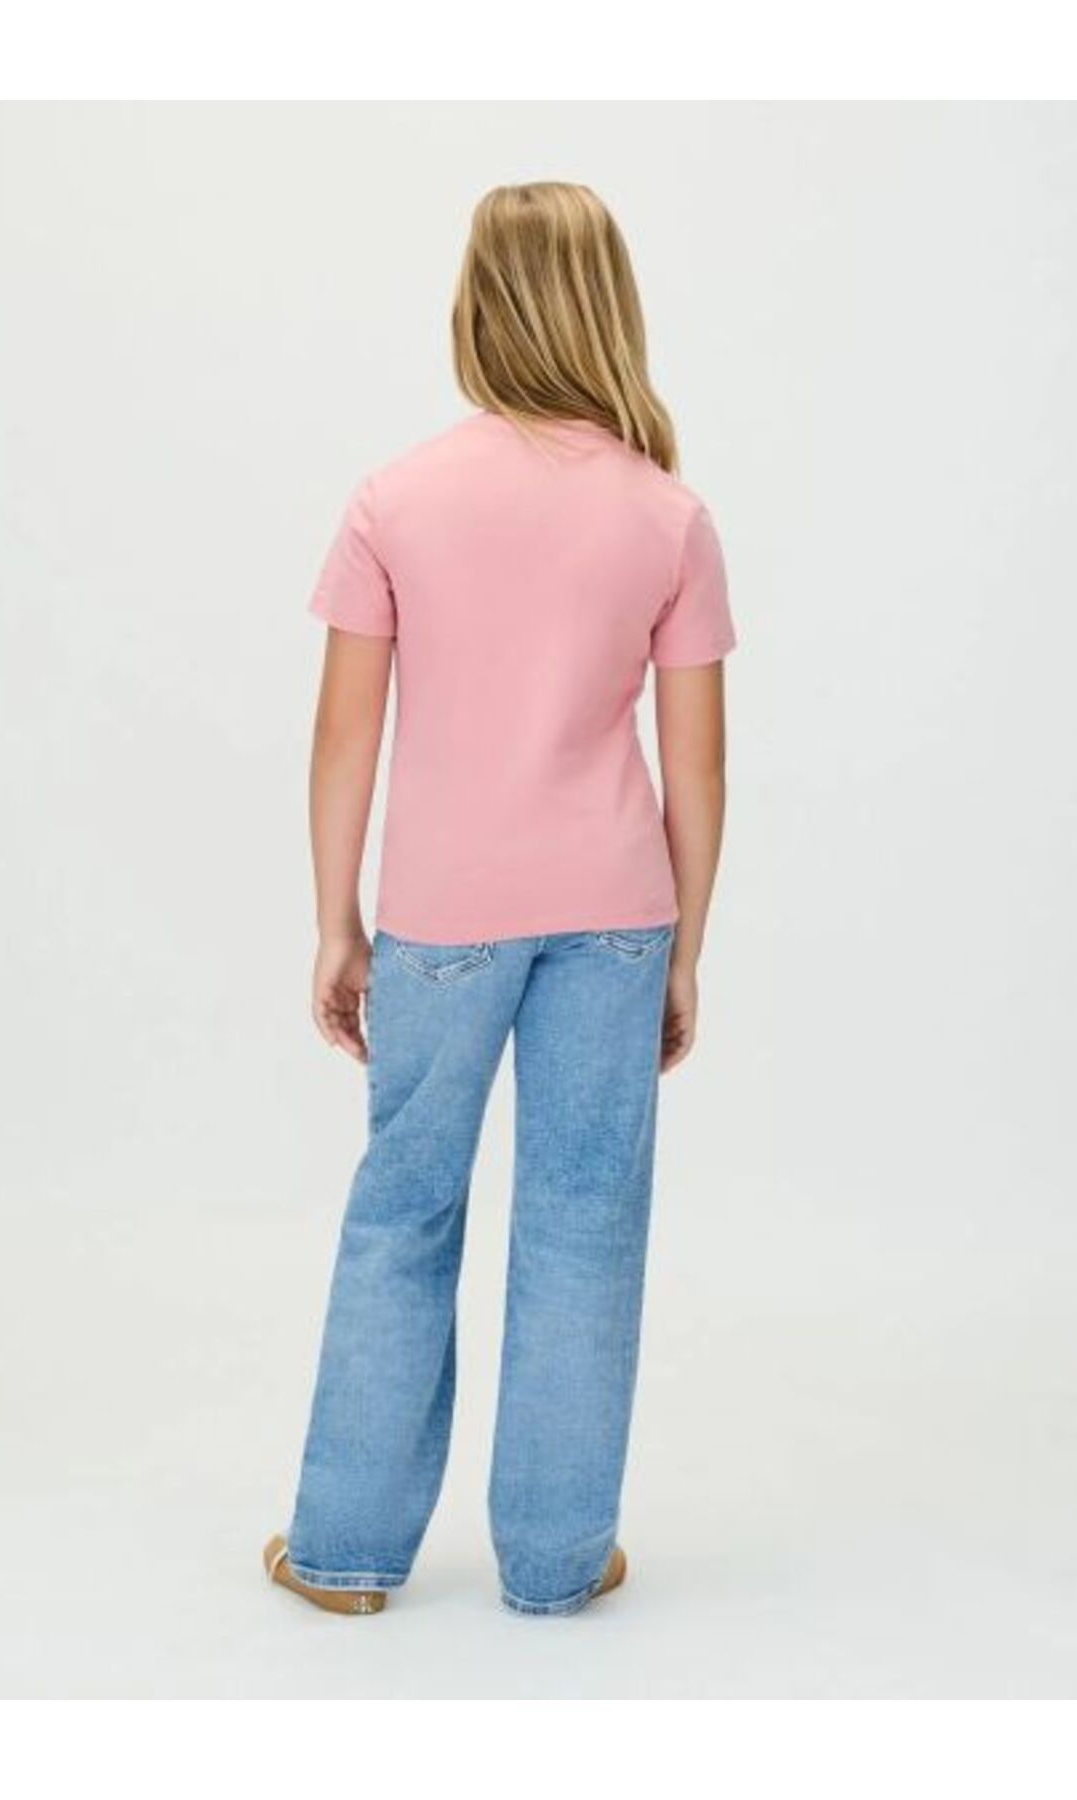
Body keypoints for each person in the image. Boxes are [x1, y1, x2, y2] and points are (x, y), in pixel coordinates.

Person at [264, 180, 737, 1618]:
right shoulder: (668, 515)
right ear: (609, 309)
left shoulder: (396, 498)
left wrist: (336, 921)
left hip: (442, 921)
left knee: (402, 1209)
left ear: (477, 307)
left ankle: (345, 1553)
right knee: (587, 1221)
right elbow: (698, 767)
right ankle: (555, 1560)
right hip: (616, 914)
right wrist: (685, 953)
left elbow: (345, 736)